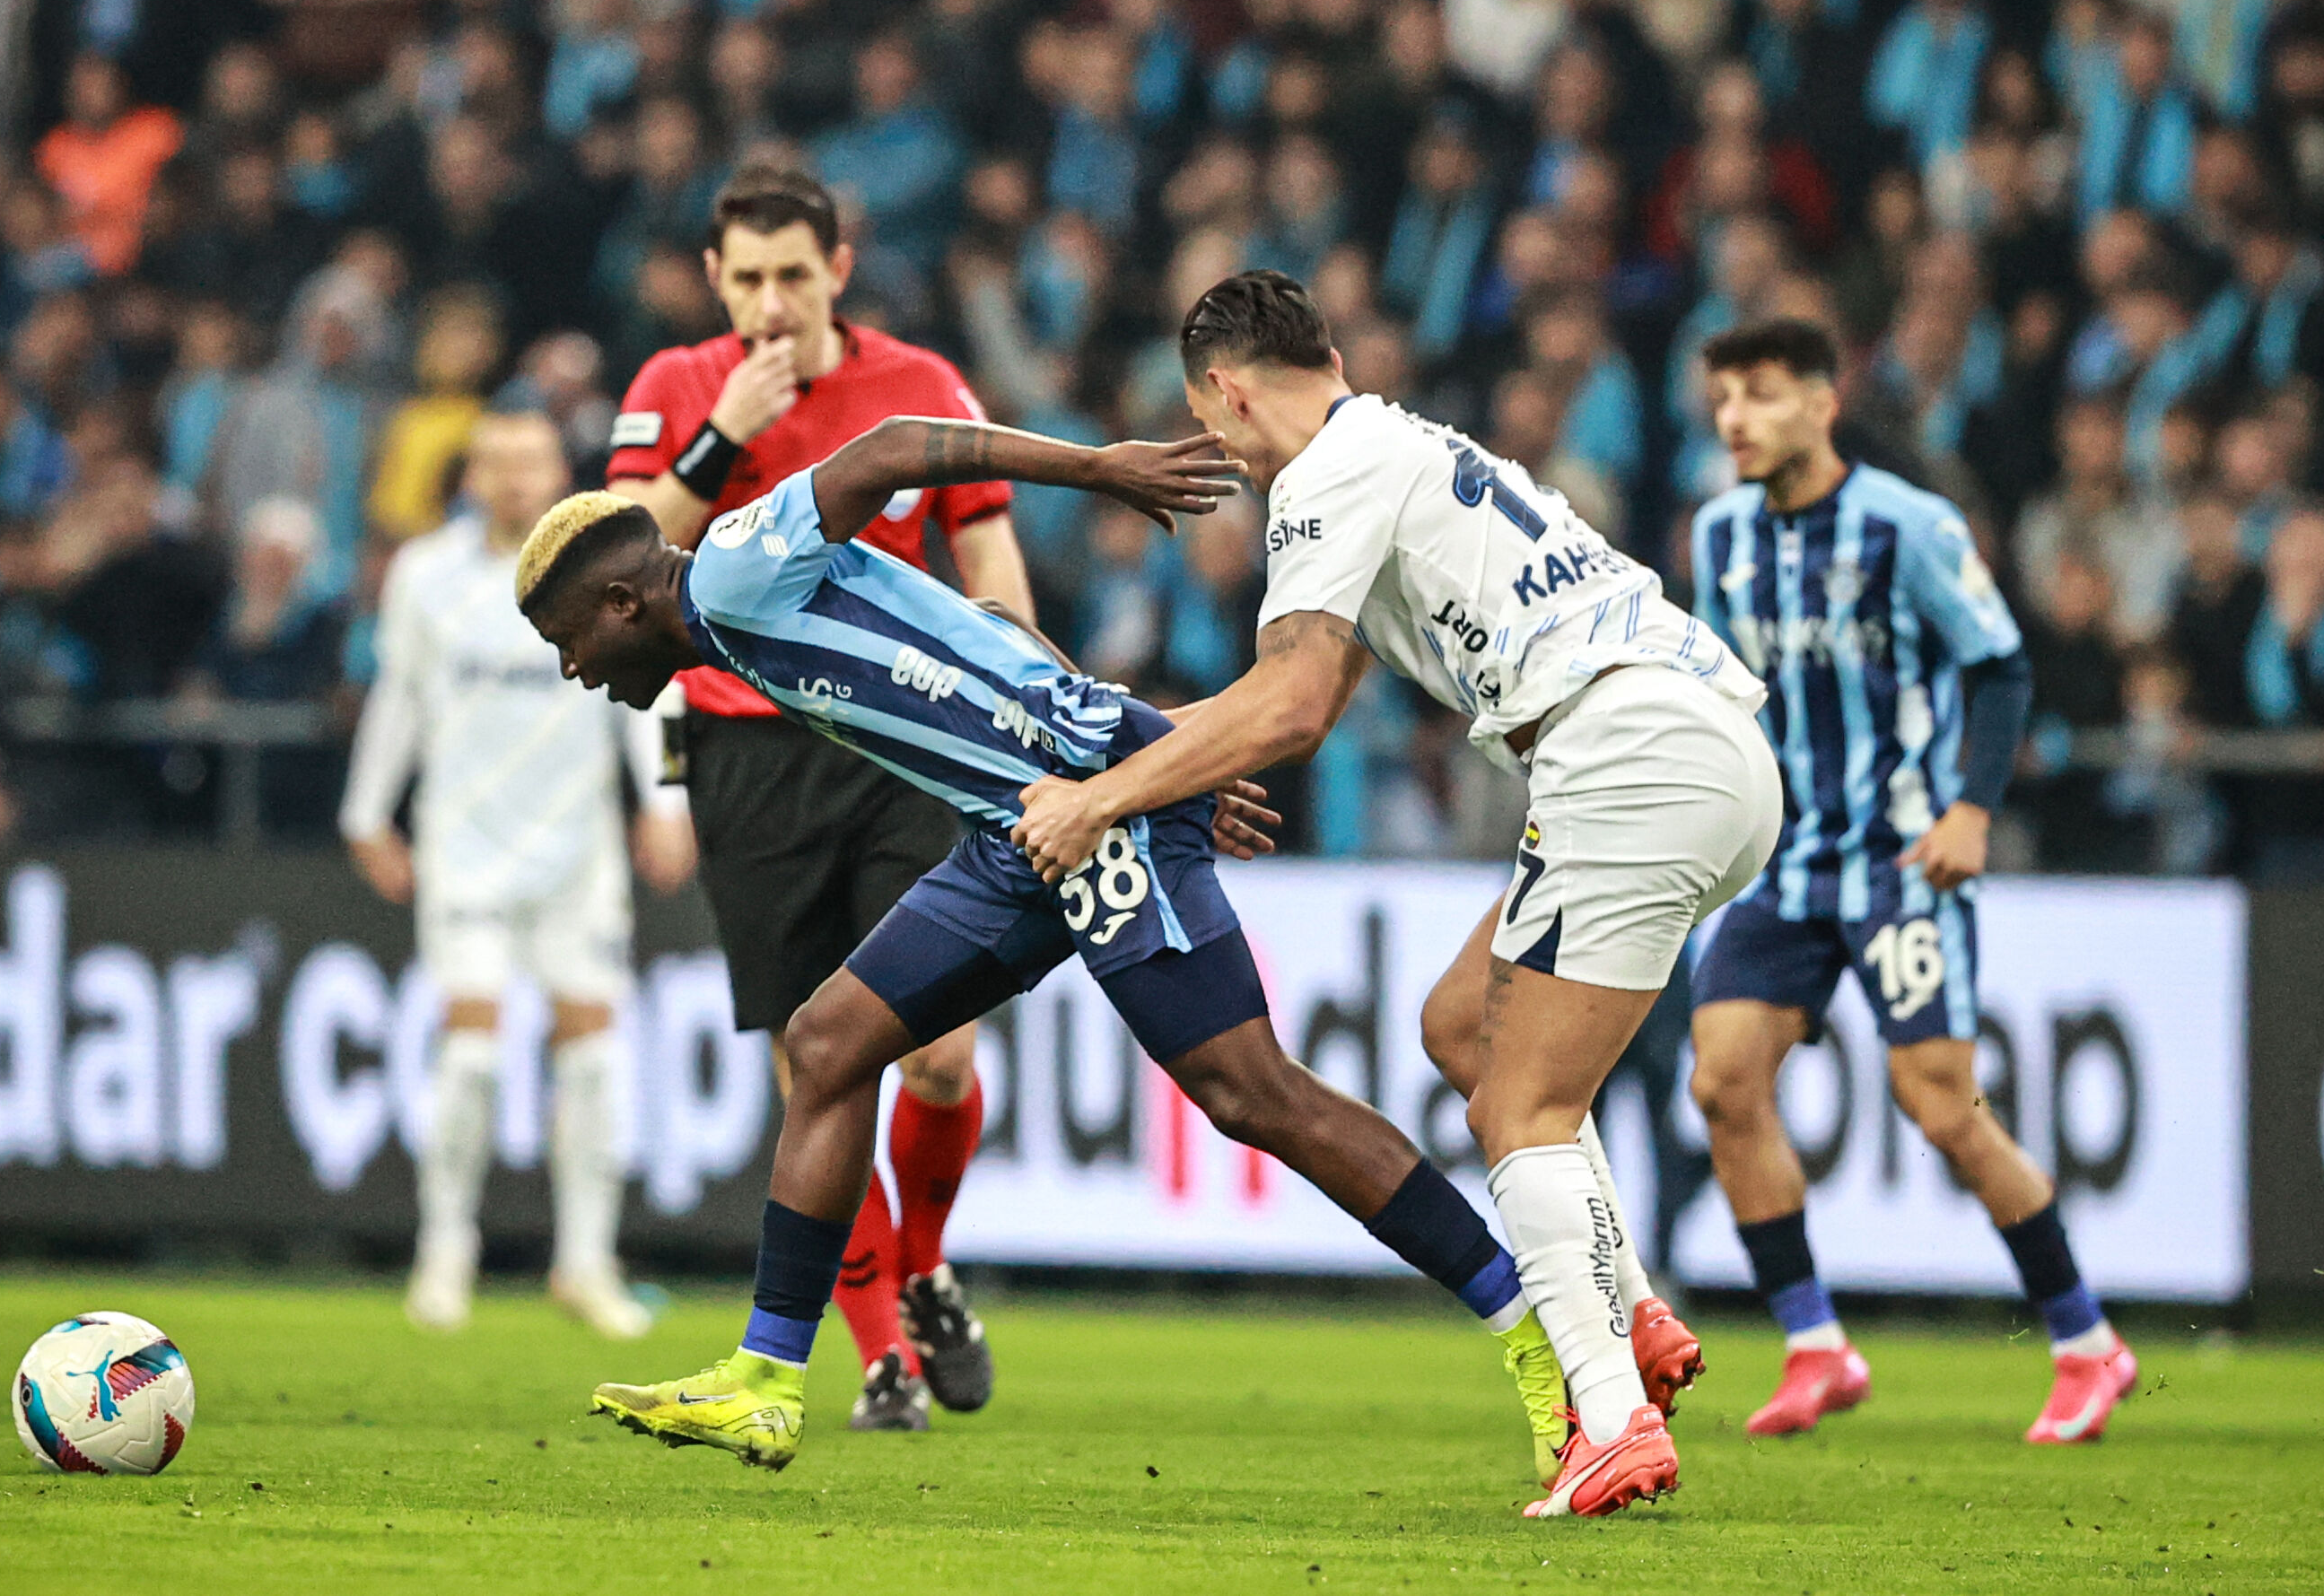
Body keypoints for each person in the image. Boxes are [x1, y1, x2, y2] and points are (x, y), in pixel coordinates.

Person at [515, 416, 1612, 1490]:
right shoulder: (734, 620)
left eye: (571, 642)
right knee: (829, 1040)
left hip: (1095, 818)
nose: (574, 669)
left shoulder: (732, 573)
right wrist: (1169, 743)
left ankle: (1539, 1335)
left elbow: (892, 448)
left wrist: (1100, 472)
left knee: (1251, 1092)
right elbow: (998, 631)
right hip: (1019, 834)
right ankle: (765, 1374)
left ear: (623, 602)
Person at [1011, 271, 1775, 1519]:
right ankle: (1626, 1306)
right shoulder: (1402, 446)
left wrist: (1100, 800)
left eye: (1212, 423)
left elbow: (1291, 705)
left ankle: (1612, 1419)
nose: (1225, 453)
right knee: (1458, 1025)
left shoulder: (1323, 480)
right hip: (1700, 744)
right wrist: (1128, 757)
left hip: (1624, 753)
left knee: (1520, 1103)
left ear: (1225, 390)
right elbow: (1298, 700)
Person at [606, 166, 1031, 1429]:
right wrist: (721, 434)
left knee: (941, 1053)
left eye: (794, 274)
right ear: (713, 278)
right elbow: (618, 557)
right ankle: (884, 1350)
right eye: (748, 279)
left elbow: (991, 554)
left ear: (838, 270)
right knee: (818, 1067)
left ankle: (927, 1264)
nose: (773, 302)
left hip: (903, 742)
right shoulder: (680, 388)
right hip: (744, 753)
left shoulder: (919, 386)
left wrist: (1018, 695)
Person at [1684, 318, 2137, 1443]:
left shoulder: (1910, 524)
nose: (1734, 417)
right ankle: (1814, 1342)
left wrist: (1972, 808)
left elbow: (1998, 663)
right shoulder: (1722, 533)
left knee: (1939, 1103)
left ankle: (2087, 1341)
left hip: (1902, 854)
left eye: (1761, 394)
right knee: (1723, 1081)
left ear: (1823, 403)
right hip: (1785, 860)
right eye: (1723, 396)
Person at [340, 408, 694, 1339]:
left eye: (530, 460)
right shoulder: (425, 575)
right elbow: (400, 694)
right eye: (496, 462)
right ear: (472, 476)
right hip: (464, 846)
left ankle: (585, 1261)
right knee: (470, 1051)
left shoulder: (608, 563)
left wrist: (667, 805)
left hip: (577, 853)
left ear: (556, 470)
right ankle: (444, 1250)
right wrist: (366, 811)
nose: (513, 477)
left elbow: (657, 693)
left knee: (593, 1057)